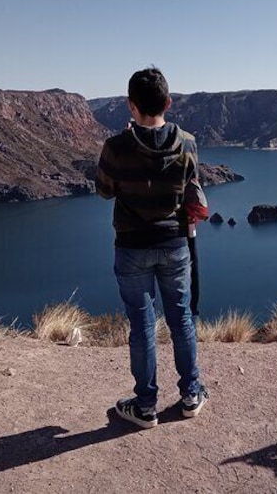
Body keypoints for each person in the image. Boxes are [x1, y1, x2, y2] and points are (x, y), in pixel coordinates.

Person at [96, 66, 209, 428]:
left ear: (131, 106)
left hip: (132, 247)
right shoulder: (188, 142)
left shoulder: (115, 147)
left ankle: (145, 405)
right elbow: (190, 184)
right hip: (175, 245)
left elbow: (104, 190)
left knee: (142, 325)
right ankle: (191, 395)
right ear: (168, 102)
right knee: (181, 318)